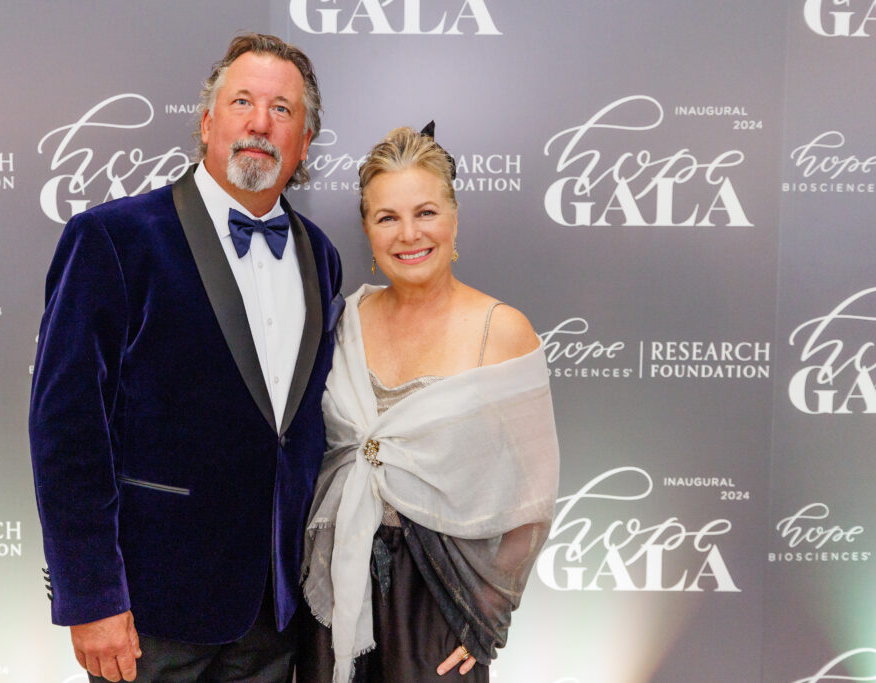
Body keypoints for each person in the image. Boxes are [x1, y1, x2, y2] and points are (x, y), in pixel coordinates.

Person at [29, 33, 342, 683]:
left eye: (282, 110)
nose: (260, 122)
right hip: (149, 613)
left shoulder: (320, 254)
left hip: (274, 614)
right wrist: (92, 596)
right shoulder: (112, 240)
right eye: (243, 102)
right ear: (207, 122)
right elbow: (67, 432)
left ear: (304, 141)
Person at [298, 125, 559, 682]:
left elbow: (531, 501)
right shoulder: (344, 322)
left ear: (454, 217)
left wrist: (486, 615)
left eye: (426, 213)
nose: (408, 234)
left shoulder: (502, 330)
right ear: (367, 229)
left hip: (441, 597)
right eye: (386, 217)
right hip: (337, 585)